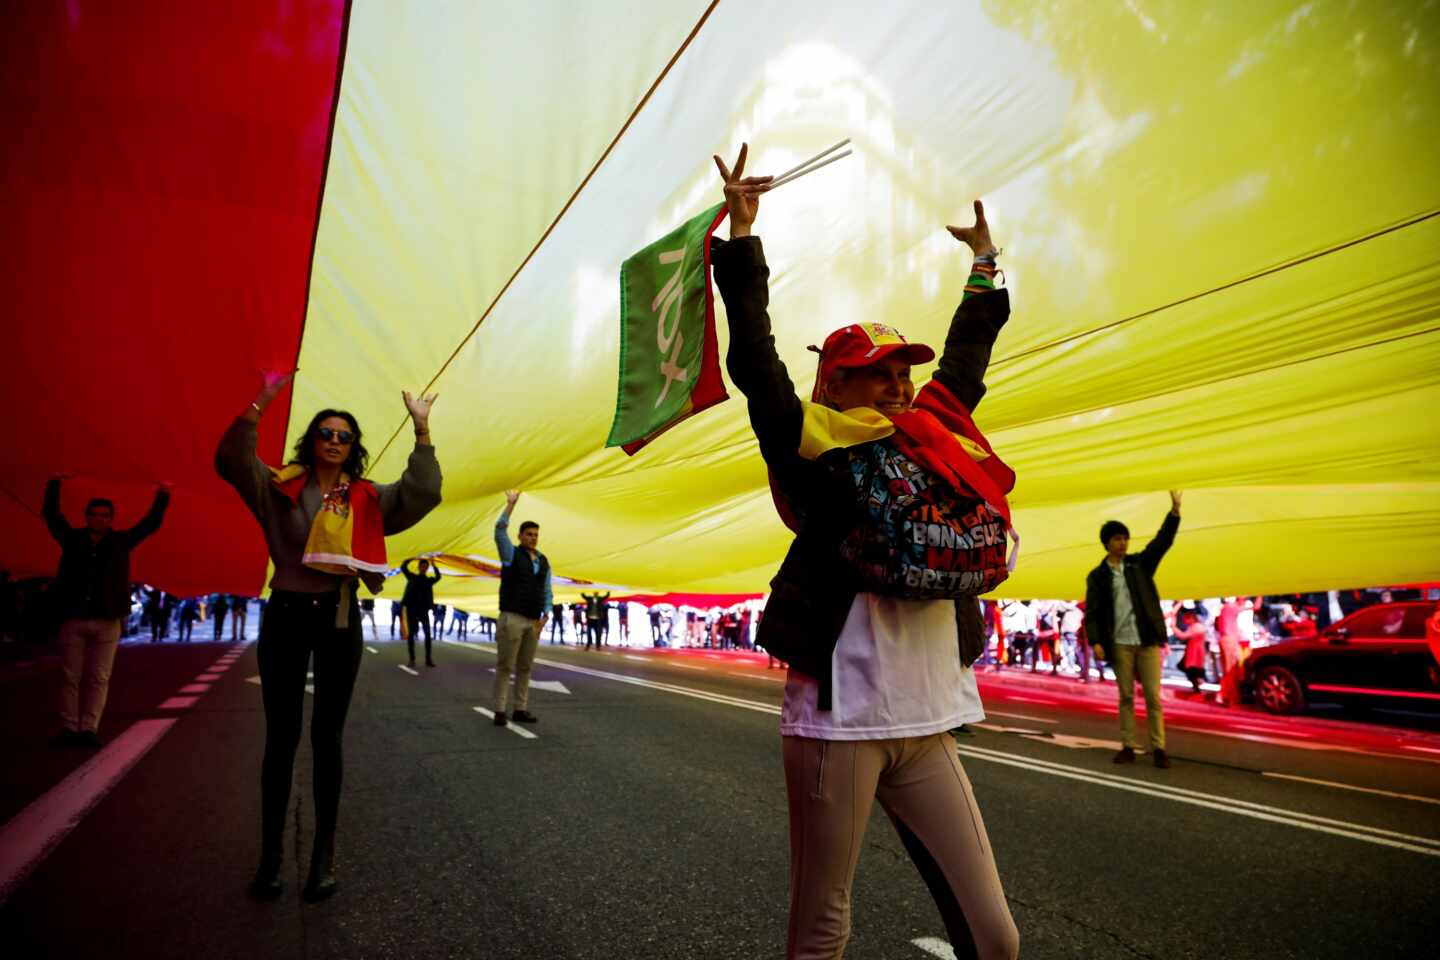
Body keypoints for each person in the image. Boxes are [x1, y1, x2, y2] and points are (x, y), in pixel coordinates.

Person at [712, 144, 1019, 959]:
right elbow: (754, 362)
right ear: (833, 388)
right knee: (823, 929)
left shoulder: (937, 435)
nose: (895, 383)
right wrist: (744, 238)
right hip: (838, 725)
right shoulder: (811, 448)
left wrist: (985, 264)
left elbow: (968, 356)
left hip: (930, 724)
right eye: (872, 372)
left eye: (900, 370)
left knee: (996, 938)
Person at [215, 371, 440, 903]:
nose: (335, 441)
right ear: (312, 440)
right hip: (286, 617)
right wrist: (261, 398)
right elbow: (229, 461)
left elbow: (424, 492)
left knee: (327, 740)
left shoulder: (367, 498)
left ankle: (323, 859)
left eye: (344, 435)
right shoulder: (278, 487)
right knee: (281, 738)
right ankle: (270, 859)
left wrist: (422, 429)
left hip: (338, 619)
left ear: (353, 447)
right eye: (326, 433)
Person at [43, 475, 170, 747]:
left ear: (111, 519)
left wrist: (163, 496)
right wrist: (54, 485)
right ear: (87, 516)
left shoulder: (122, 542)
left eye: (104, 515)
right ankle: (67, 727)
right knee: (69, 676)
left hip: (108, 619)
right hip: (74, 617)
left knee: (99, 677)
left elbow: (150, 525)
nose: (98, 519)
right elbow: (52, 516)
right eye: (94, 514)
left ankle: (88, 728)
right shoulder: (72, 539)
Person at [1084, 491, 1183, 768]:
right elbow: (1092, 612)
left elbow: (1162, 543)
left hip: (1146, 639)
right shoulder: (1097, 576)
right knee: (1126, 695)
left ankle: (1159, 747)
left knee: (1153, 696)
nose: (1123, 542)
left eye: (1125, 538)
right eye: (1118, 538)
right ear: (1107, 543)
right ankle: (1128, 745)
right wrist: (1096, 641)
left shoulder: (1140, 564)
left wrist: (1174, 512)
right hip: (1119, 643)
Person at [494, 489, 551, 725]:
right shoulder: (511, 555)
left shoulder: (543, 560)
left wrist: (546, 613)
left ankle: (520, 708)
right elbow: (499, 530)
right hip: (512, 617)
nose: (533, 538)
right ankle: (499, 710)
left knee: (525, 667)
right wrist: (511, 504)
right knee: (506, 665)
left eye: (536, 534)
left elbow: (546, 589)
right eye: (529, 534)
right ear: (519, 536)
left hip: (533, 620)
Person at [400, 557, 441, 667]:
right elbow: (403, 567)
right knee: (411, 635)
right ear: (418, 567)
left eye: (425, 566)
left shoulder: (429, 581)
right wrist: (411, 558)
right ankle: (411, 659)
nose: (423, 568)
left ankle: (428, 659)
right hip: (412, 610)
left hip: (423, 611)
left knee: (428, 634)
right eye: (422, 566)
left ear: (427, 568)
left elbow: (438, 577)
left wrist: (434, 565)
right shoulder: (412, 577)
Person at [1174, 607, 1209, 693]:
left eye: (1186, 619)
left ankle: (1197, 684)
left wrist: (1173, 627)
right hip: (1194, 651)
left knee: (1192, 669)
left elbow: (1183, 636)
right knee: (1191, 669)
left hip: (1195, 652)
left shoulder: (1197, 627)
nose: (1184, 621)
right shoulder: (1195, 626)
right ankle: (1197, 684)